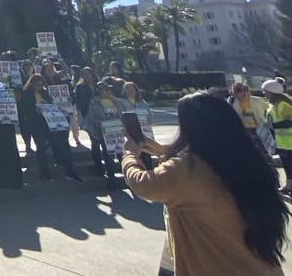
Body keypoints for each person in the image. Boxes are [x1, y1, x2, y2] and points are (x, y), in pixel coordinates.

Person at [124, 91, 289, 276]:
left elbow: (142, 184)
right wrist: (156, 148)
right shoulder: (246, 157)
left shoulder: (188, 168)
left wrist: (130, 156)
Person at [21, 74, 82, 183]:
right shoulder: (27, 94)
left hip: (48, 123)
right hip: (35, 124)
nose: (40, 87)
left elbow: (54, 103)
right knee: (41, 147)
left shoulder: (45, 93)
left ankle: (67, 169)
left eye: (42, 84)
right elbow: (23, 109)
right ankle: (44, 172)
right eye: (38, 85)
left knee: (58, 144)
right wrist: (34, 110)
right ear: (32, 84)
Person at [86, 76, 123, 190]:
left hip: (116, 131)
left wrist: (118, 122)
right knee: (108, 156)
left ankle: (128, 178)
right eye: (105, 89)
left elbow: (120, 114)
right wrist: (102, 123)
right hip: (102, 132)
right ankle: (111, 179)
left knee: (121, 155)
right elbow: (92, 118)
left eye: (109, 89)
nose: (108, 91)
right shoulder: (94, 102)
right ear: (100, 90)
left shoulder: (115, 101)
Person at [262, 80, 292, 194]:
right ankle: (289, 186)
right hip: (283, 142)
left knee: (290, 165)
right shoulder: (274, 105)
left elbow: (290, 122)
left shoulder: (283, 104)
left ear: (273, 92)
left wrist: (273, 125)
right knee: (287, 166)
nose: (264, 93)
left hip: (289, 142)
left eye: (266, 91)